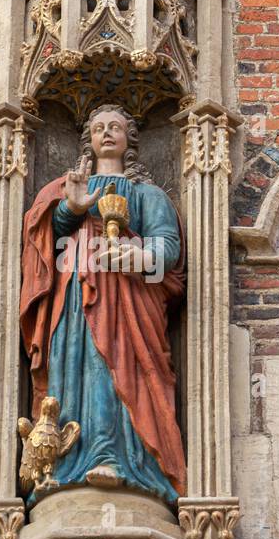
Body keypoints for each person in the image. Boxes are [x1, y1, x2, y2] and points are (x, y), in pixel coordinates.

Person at [19, 103, 186, 503]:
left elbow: (167, 245)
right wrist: (72, 208)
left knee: (118, 370)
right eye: (98, 128)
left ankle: (120, 459)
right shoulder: (69, 186)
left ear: (130, 138)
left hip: (128, 298)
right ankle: (63, 464)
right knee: (74, 366)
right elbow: (43, 238)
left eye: (115, 127)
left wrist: (137, 255)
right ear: (88, 140)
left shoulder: (149, 195)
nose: (106, 133)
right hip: (75, 294)